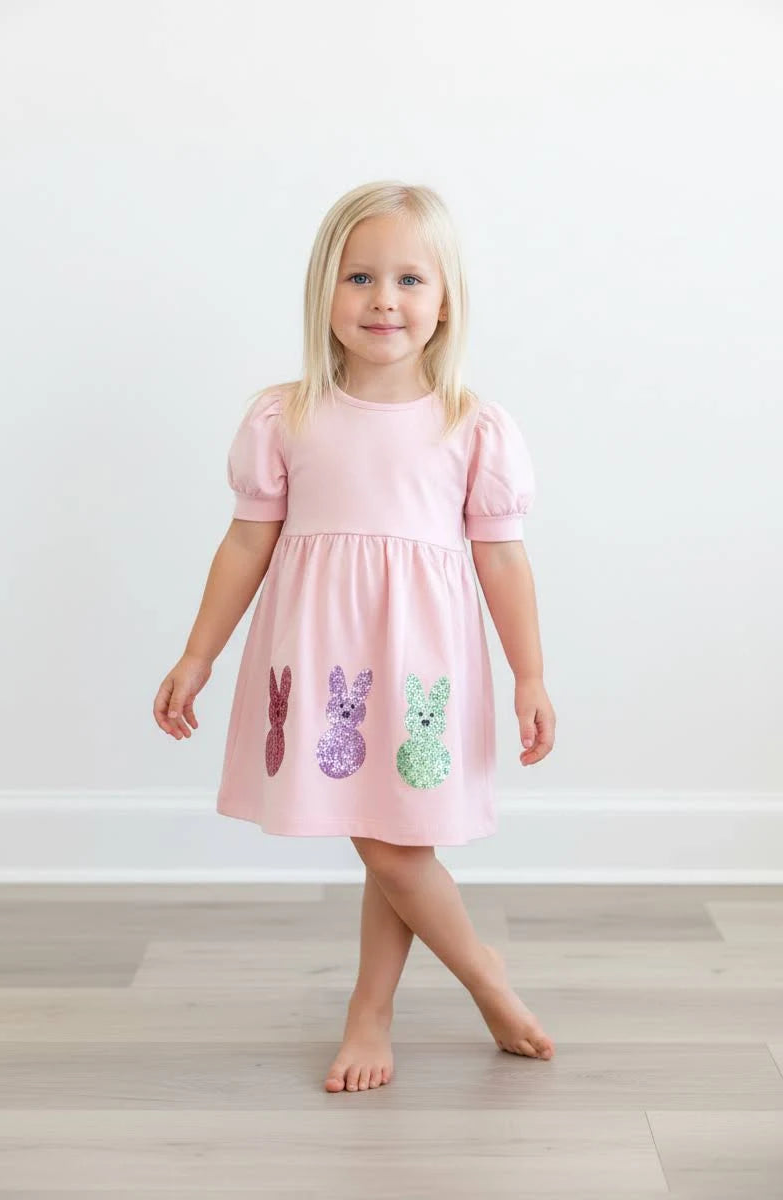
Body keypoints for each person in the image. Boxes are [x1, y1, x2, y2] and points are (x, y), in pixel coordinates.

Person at [153, 180, 557, 1094]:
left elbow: (501, 560)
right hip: (323, 658)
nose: (384, 300)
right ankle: (461, 978)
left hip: (421, 666)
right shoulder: (286, 415)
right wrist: (197, 654)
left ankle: (418, 996)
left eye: (410, 279)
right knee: (384, 838)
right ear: (324, 291)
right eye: (360, 277)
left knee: (393, 836)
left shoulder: (471, 426)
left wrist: (529, 674)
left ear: (445, 299)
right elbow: (247, 543)